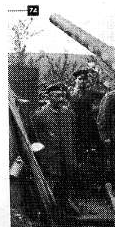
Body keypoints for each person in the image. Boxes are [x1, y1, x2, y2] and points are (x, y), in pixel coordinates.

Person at [31, 83, 76, 220]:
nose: (61, 99)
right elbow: (35, 139)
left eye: (62, 96)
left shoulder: (68, 113)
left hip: (66, 156)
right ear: (49, 97)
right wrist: (42, 157)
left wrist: (71, 154)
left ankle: (64, 209)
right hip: (50, 158)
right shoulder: (40, 115)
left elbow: (73, 134)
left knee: (66, 183)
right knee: (52, 184)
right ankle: (51, 213)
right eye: (57, 96)